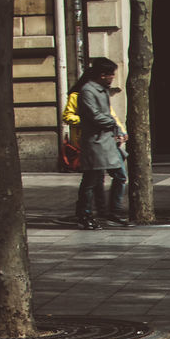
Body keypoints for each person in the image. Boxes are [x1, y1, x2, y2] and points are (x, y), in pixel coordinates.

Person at [74, 57, 125, 230]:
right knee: (91, 180)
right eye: (111, 75)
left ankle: (112, 210)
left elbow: (106, 114)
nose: (112, 78)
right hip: (95, 142)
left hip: (107, 141)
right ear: (102, 75)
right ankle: (84, 214)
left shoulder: (102, 90)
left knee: (119, 175)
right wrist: (112, 124)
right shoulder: (88, 91)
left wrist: (117, 130)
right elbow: (94, 115)